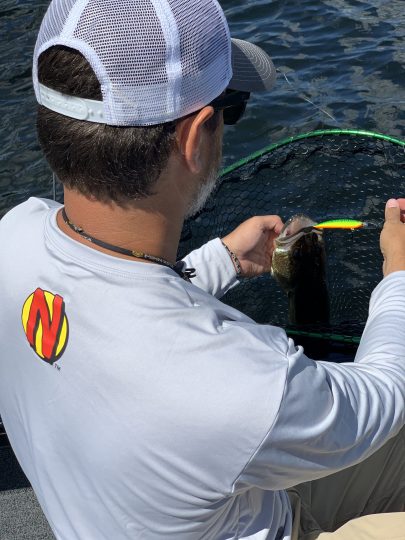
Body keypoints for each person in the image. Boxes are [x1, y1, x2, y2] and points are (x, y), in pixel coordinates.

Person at [0, 0, 404, 539]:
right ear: (193, 141)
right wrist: (397, 274)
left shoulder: (15, 236)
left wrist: (222, 260)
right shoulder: (240, 381)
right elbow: (380, 398)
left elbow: (113, 307)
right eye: (229, 109)